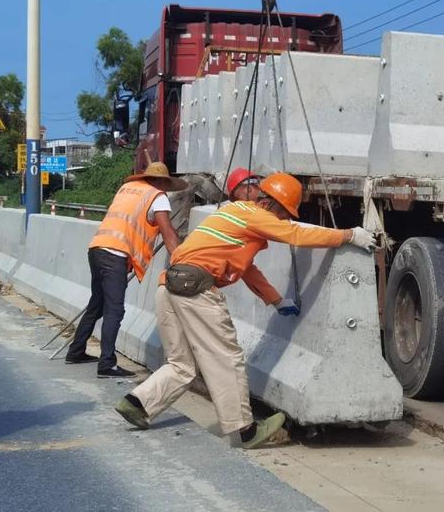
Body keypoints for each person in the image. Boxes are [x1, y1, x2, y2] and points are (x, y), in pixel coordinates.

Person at [115, 172, 376, 449]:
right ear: (274, 206)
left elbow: (247, 269)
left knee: (182, 364)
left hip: (169, 286)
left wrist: (276, 300)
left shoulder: (235, 213)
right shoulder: (256, 216)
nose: (285, 219)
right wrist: (349, 235)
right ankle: (245, 430)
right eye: (285, 213)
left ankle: (136, 404)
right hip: (196, 290)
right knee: (226, 358)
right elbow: (296, 234)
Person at [65, 162, 188, 378]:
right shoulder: (157, 196)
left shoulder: (127, 190)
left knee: (97, 304)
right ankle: (107, 364)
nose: (166, 190)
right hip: (115, 254)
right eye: (166, 185)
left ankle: (76, 351)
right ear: (161, 181)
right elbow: (168, 234)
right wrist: (183, 262)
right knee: (115, 309)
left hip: (97, 248)